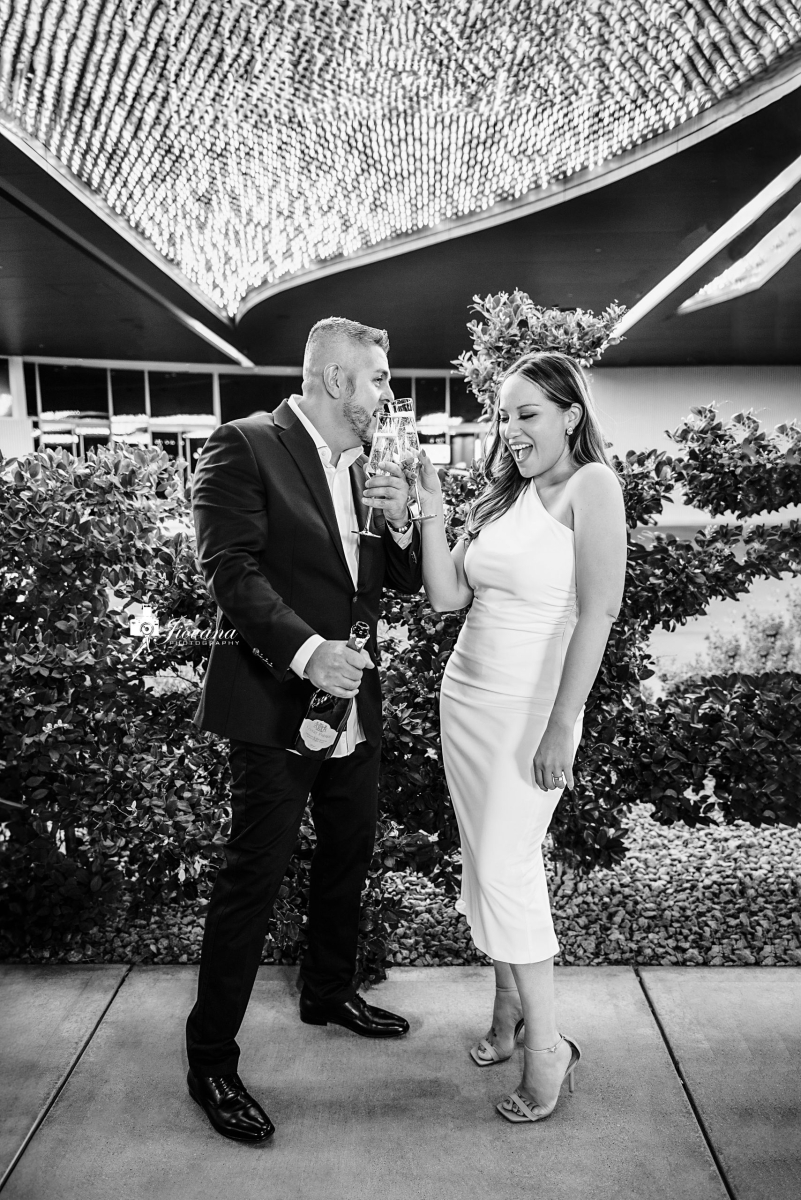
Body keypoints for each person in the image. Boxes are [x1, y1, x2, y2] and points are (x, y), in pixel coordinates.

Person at [186, 317, 423, 1143]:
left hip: (355, 700)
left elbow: (391, 581)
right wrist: (308, 653)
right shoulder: (244, 444)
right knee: (252, 878)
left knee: (348, 852)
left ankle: (327, 992)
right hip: (274, 702)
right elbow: (229, 569)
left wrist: (401, 520)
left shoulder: (365, 465)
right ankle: (210, 1062)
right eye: (379, 378)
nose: (386, 393)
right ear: (334, 380)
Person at [416, 350, 626, 1125]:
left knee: (506, 868)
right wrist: (431, 506)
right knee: (484, 863)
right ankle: (506, 1010)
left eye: (527, 413)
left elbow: (598, 611)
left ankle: (548, 1047)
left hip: (528, 714)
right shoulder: (505, 495)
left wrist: (561, 723)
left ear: (570, 415)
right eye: (502, 415)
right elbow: (446, 597)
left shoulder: (590, 486)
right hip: (465, 704)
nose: (511, 429)